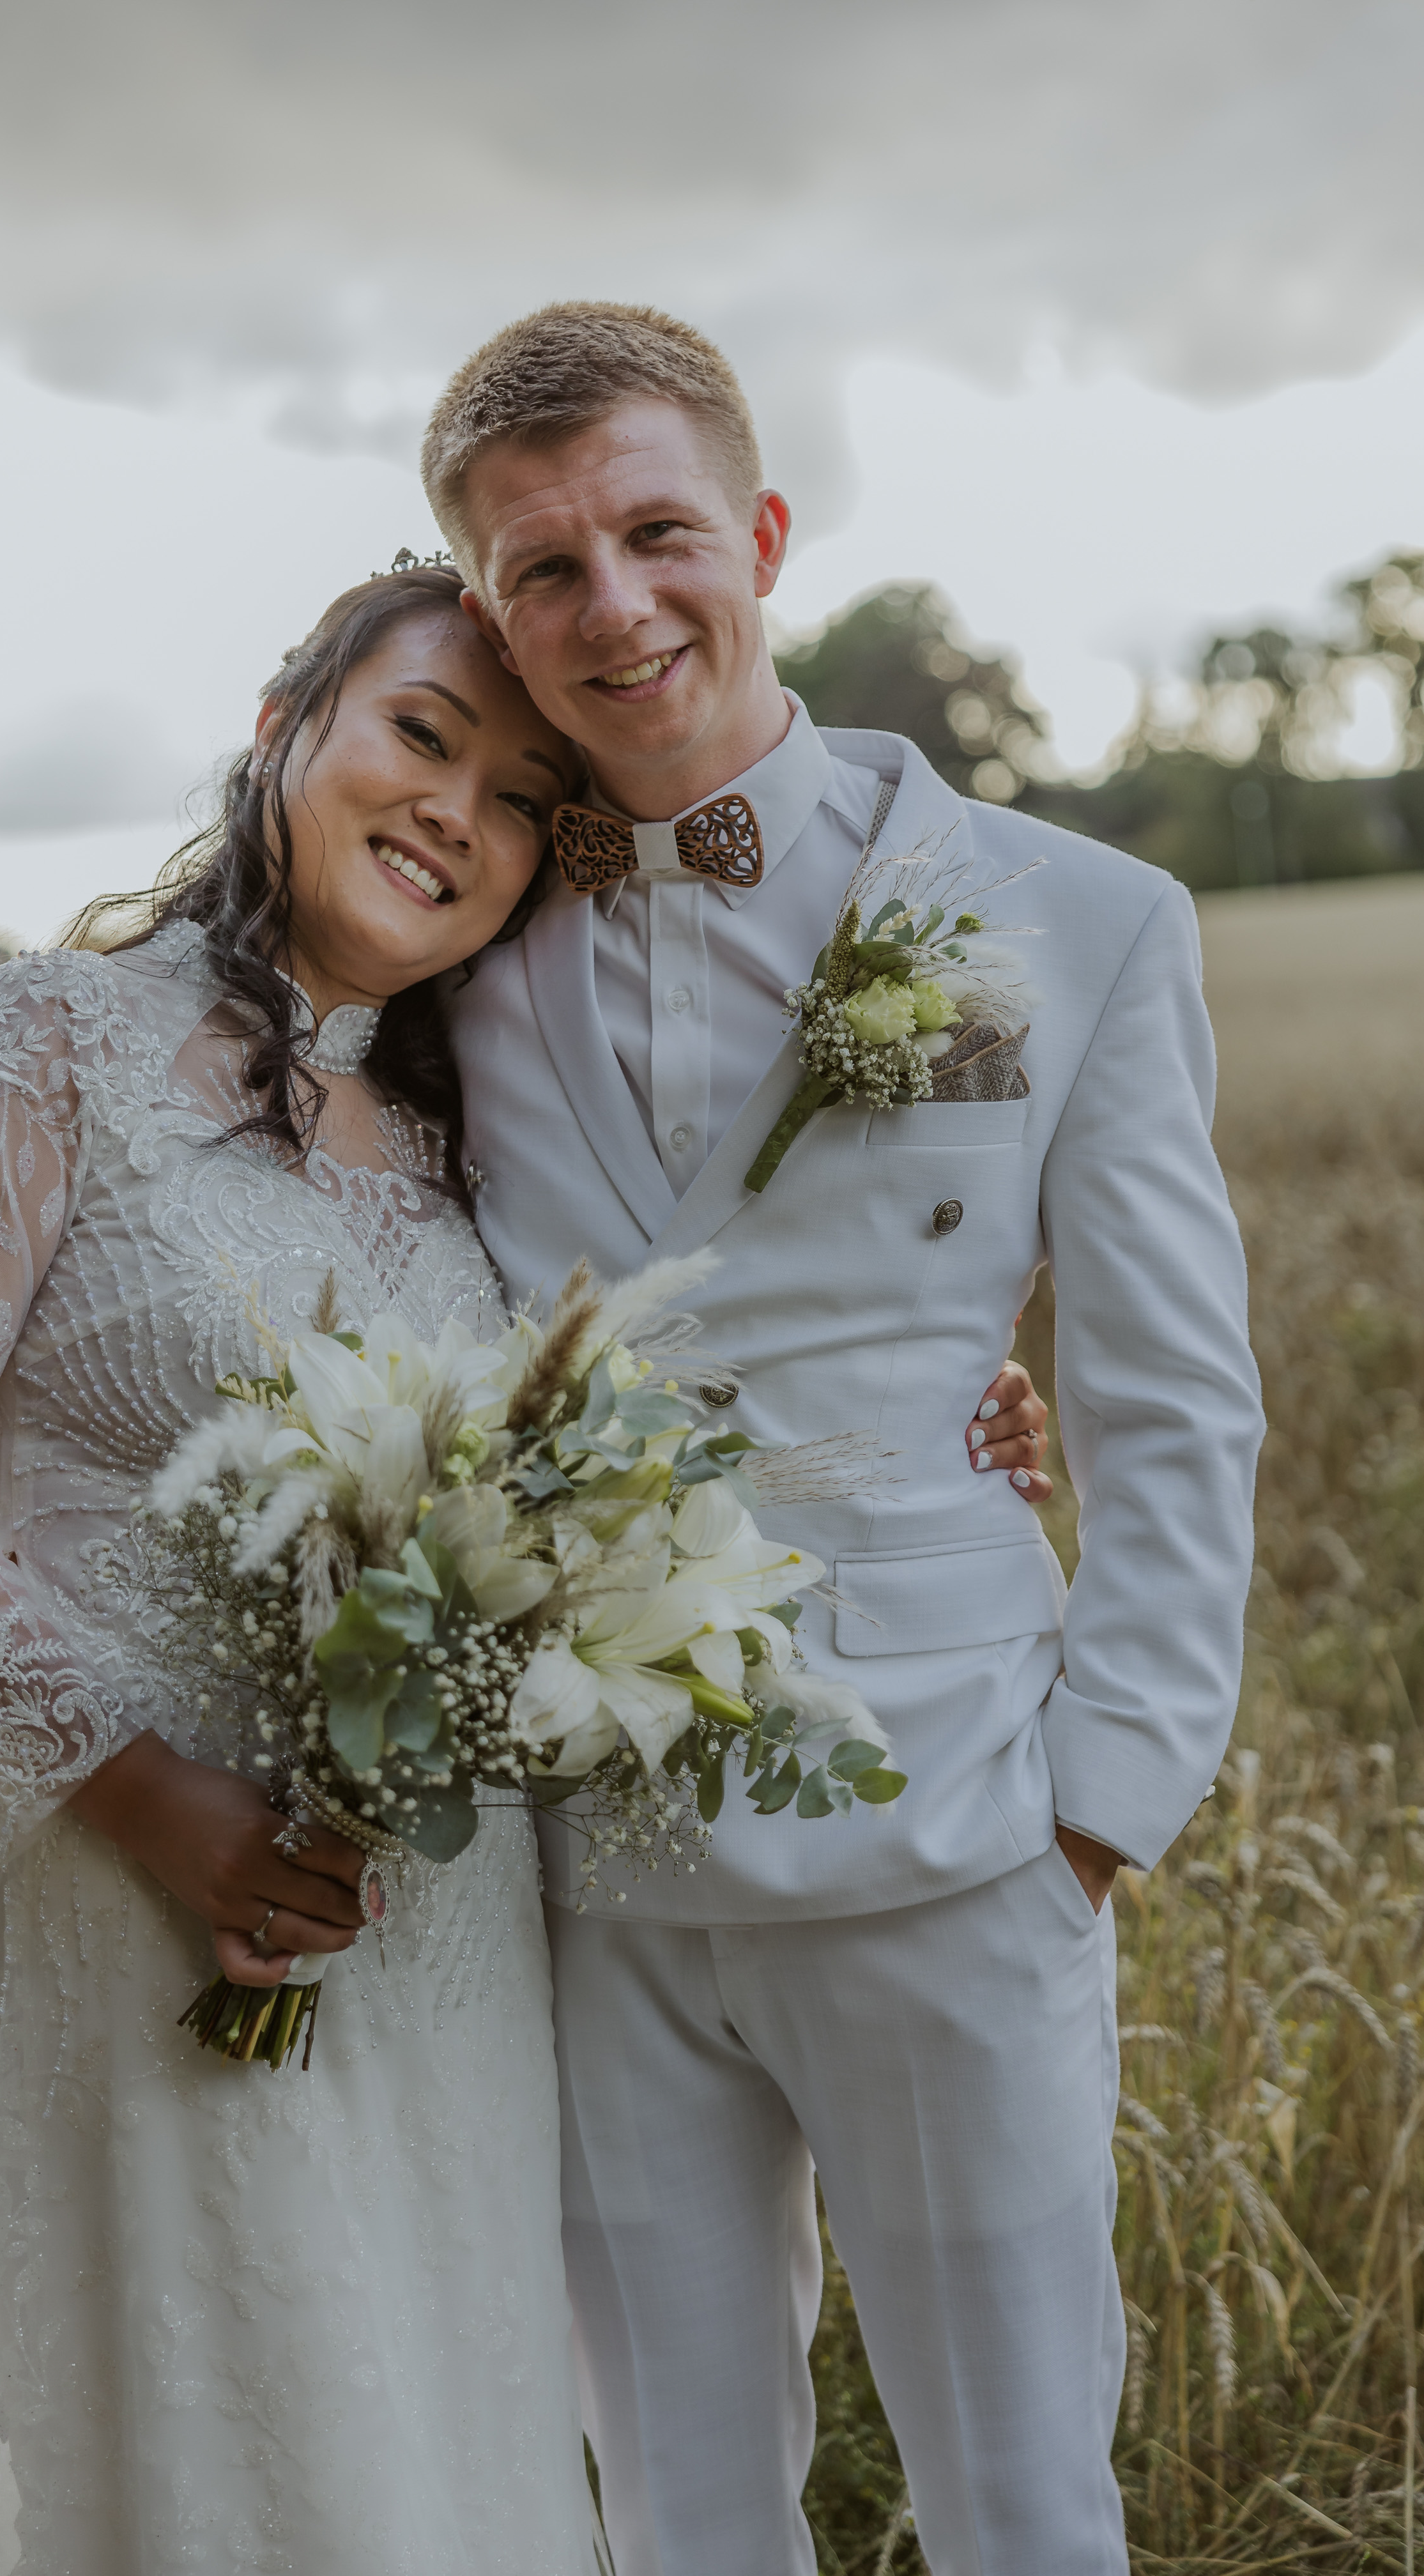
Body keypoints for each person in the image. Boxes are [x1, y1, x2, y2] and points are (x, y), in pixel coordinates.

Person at [0, 560, 1050, 2576]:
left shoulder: (472, 1137)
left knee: (443, 2453)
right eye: (422, 735)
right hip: (149, 1900)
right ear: (284, 731)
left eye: (521, 798)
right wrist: (151, 1801)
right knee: (233, 2462)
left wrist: (951, 1411)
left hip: (441, 1929)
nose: (455, 812)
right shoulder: (41, 1042)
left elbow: (642, 1422)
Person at [427, 303, 1266, 2576]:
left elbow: (1174, 1392)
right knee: (676, 2515)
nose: (616, 605)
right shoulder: (446, 957)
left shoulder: (1075, 920)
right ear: (493, 616)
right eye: (542, 568)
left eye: (658, 534)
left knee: (1023, 2506)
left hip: (956, 1822)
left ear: (766, 535)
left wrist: (1099, 1809)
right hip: (589, 1867)